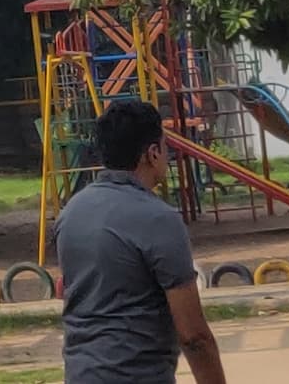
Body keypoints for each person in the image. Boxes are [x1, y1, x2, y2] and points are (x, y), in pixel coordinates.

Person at [53, 99, 227, 384]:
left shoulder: (70, 213)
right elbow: (194, 336)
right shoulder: (159, 219)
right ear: (152, 153)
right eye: (166, 148)